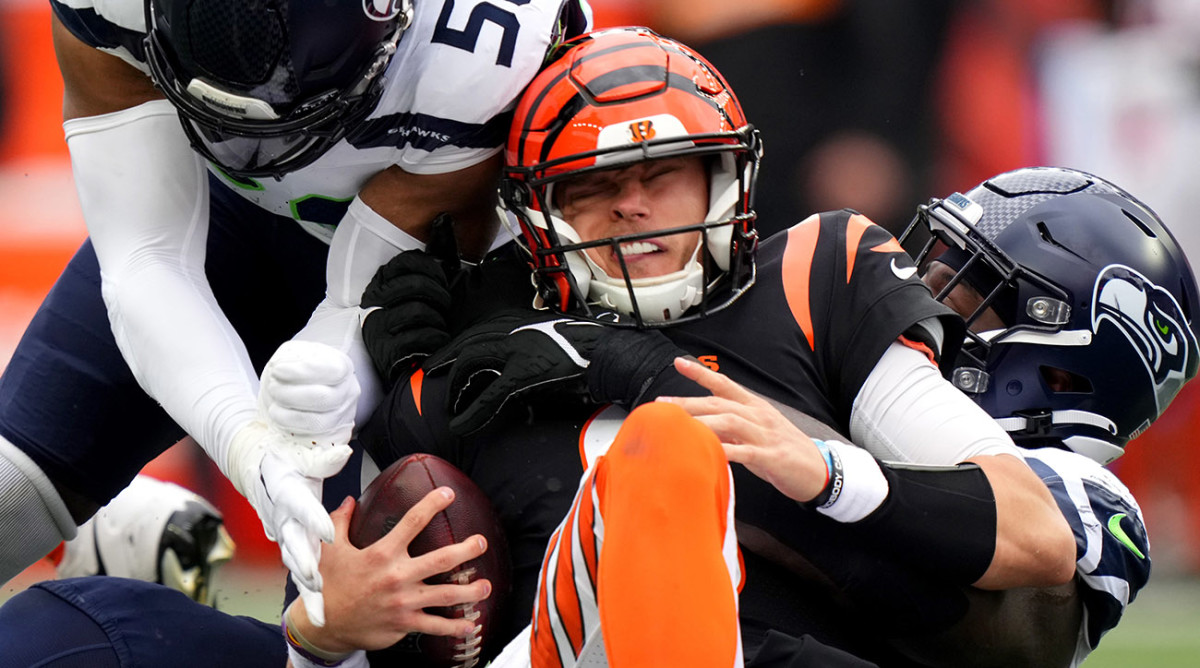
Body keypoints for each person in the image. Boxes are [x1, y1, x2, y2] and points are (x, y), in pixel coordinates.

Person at [351, 26, 1080, 666]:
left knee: (668, 443)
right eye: (593, 184)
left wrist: (820, 469)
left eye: (663, 173)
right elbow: (368, 614)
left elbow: (1037, 534)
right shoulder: (477, 348)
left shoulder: (816, 275)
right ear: (539, 212)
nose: (631, 204)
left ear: (725, 178)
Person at [0, 0, 590, 625]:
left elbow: (365, 301)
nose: (255, 143)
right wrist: (241, 440)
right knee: (12, 496)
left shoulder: (486, 51)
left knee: (341, 610)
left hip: (422, 275)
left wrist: (322, 391)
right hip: (218, 211)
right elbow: (145, 258)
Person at [900, 165, 1200, 666]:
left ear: (1059, 375)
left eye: (956, 302)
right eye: (926, 282)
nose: (913, 313)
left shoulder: (1084, 497)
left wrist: (827, 472)